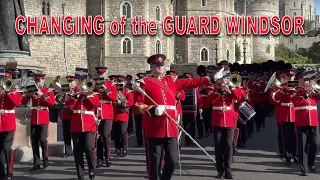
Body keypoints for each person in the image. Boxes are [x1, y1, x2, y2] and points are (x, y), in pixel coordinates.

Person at [135, 54, 223, 180]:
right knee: (154, 163)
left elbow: (192, 82)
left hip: (171, 127)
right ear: (152, 66)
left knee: (173, 160)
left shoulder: (172, 80)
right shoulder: (144, 82)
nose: (160, 67)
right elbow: (138, 104)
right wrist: (152, 109)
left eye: (162, 65)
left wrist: (210, 78)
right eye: (157, 65)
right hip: (154, 127)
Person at [207, 68, 242, 179]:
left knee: (228, 146)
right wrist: (221, 90)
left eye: (226, 78)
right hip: (217, 120)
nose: (225, 80)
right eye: (223, 78)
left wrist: (230, 90)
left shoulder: (233, 87)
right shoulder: (213, 88)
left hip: (229, 120)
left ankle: (228, 169)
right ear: (219, 79)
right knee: (218, 147)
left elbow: (239, 97)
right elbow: (210, 100)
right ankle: (219, 170)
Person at [21, 73, 55, 171]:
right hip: (34, 118)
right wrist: (28, 96)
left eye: (39, 80)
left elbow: (51, 102)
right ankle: (36, 163)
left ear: (43, 81)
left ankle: (45, 158)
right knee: (34, 141)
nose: (37, 82)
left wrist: (42, 95)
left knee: (43, 140)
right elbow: (23, 102)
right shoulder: (32, 91)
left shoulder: (48, 91)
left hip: (43, 118)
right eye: (36, 81)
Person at [291, 72, 319, 176]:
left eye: (308, 80)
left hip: (313, 121)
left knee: (315, 144)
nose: (306, 82)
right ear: (299, 81)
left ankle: (311, 164)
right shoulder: (295, 91)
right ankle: (304, 167)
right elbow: (296, 102)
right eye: (304, 79)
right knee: (302, 145)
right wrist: (307, 94)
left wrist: (314, 89)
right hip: (302, 121)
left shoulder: (314, 90)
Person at [70, 82, 100, 180]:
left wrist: (86, 93)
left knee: (88, 148)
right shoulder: (76, 95)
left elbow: (94, 104)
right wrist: (74, 97)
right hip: (76, 125)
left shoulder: (94, 95)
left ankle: (91, 168)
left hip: (89, 124)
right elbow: (69, 106)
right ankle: (80, 173)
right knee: (77, 150)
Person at [272, 69, 298, 165]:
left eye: (292, 76)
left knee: (295, 136)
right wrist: (284, 90)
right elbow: (276, 98)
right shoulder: (281, 87)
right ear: (285, 78)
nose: (290, 78)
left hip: (295, 114)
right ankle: (287, 154)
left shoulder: (298, 87)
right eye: (289, 76)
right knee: (285, 136)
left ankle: (295, 154)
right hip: (285, 114)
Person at [0, 71, 22, 180]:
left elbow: (17, 102)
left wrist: (8, 91)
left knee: (7, 149)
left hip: (8, 123)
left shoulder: (15, 91)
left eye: (6, 79)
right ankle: (1, 172)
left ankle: (9, 172)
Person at [94, 67, 118, 168]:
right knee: (98, 137)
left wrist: (105, 89)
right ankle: (99, 159)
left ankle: (107, 156)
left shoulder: (111, 84)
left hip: (107, 113)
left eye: (102, 74)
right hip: (97, 113)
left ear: (105, 74)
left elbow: (114, 97)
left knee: (106, 135)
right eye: (99, 74)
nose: (100, 76)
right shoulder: (94, 84)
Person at [113, 76, 134, 157]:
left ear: (124, 83)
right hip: (115, 114)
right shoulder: (114, 91)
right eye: (118, 82)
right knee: (116, 133)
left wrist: (121, 103)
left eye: (121, 82)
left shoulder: (127, 91)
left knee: (123, 132)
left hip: (123, 114)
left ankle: (125, 148)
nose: (120, 83)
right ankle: (117, 149)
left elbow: (131, 102)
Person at [60, 76, 80, 158]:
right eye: (69, 82)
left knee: (75, 134)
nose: (70, 84)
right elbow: (60, 101)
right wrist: (64, 96)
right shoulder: (65, 91)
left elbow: (78, 101)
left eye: (72, 82)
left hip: (74, 114)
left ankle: (77, 150)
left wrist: (72, 95)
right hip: (65, 114)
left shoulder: (78, 90)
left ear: (75, 82)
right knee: (66, 134)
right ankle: (68, 151)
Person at [181, 73, 201, 146]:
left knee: (192, 125)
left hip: (192, 109)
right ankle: (188, 140)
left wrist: (200, 106)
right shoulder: (182, 88)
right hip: (185, 109)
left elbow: (198, 98)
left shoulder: (194, 88)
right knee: (186, 126)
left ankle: (192, 139)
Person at [132, 73, 147, 147]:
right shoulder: (135, 89)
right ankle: (139, 141)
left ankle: (147, 140)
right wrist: (135, 103)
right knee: (138, 128)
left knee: (145, 126)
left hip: (144, 109)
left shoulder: (145, 88)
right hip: (137, 110)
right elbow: (133, 98)